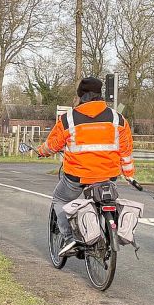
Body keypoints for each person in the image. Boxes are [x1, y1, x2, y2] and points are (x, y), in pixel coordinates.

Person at [35, 76, 136, 255]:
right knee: (106, 199)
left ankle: (69, 238)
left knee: (60, 200)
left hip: (77, 177)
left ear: (80, 96)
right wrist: (129, 175)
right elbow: (125, 151)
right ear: (99, 95)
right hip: (108, 176)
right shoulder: (118, 119)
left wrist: (41, 151)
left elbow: (53, 145)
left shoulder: (68, 119)